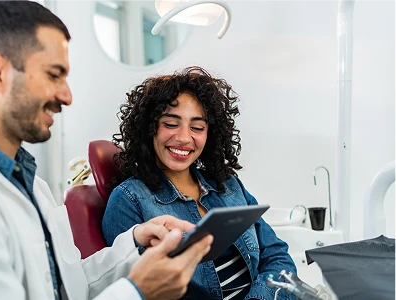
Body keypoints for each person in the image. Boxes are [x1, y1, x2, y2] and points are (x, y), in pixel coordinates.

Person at [0, 1, 214, 300]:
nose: (67, 96)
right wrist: (138, 293)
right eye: (54, 75)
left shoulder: (29, 183)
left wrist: (135, 245)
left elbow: (67, 285)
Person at [103, 66, 298, 300]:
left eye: (197, 127)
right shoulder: (129, 200)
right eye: (171, 124)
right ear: (149, 128)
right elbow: (146, 289)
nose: (184, 138)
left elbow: (277, 256)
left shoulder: (228, 185)